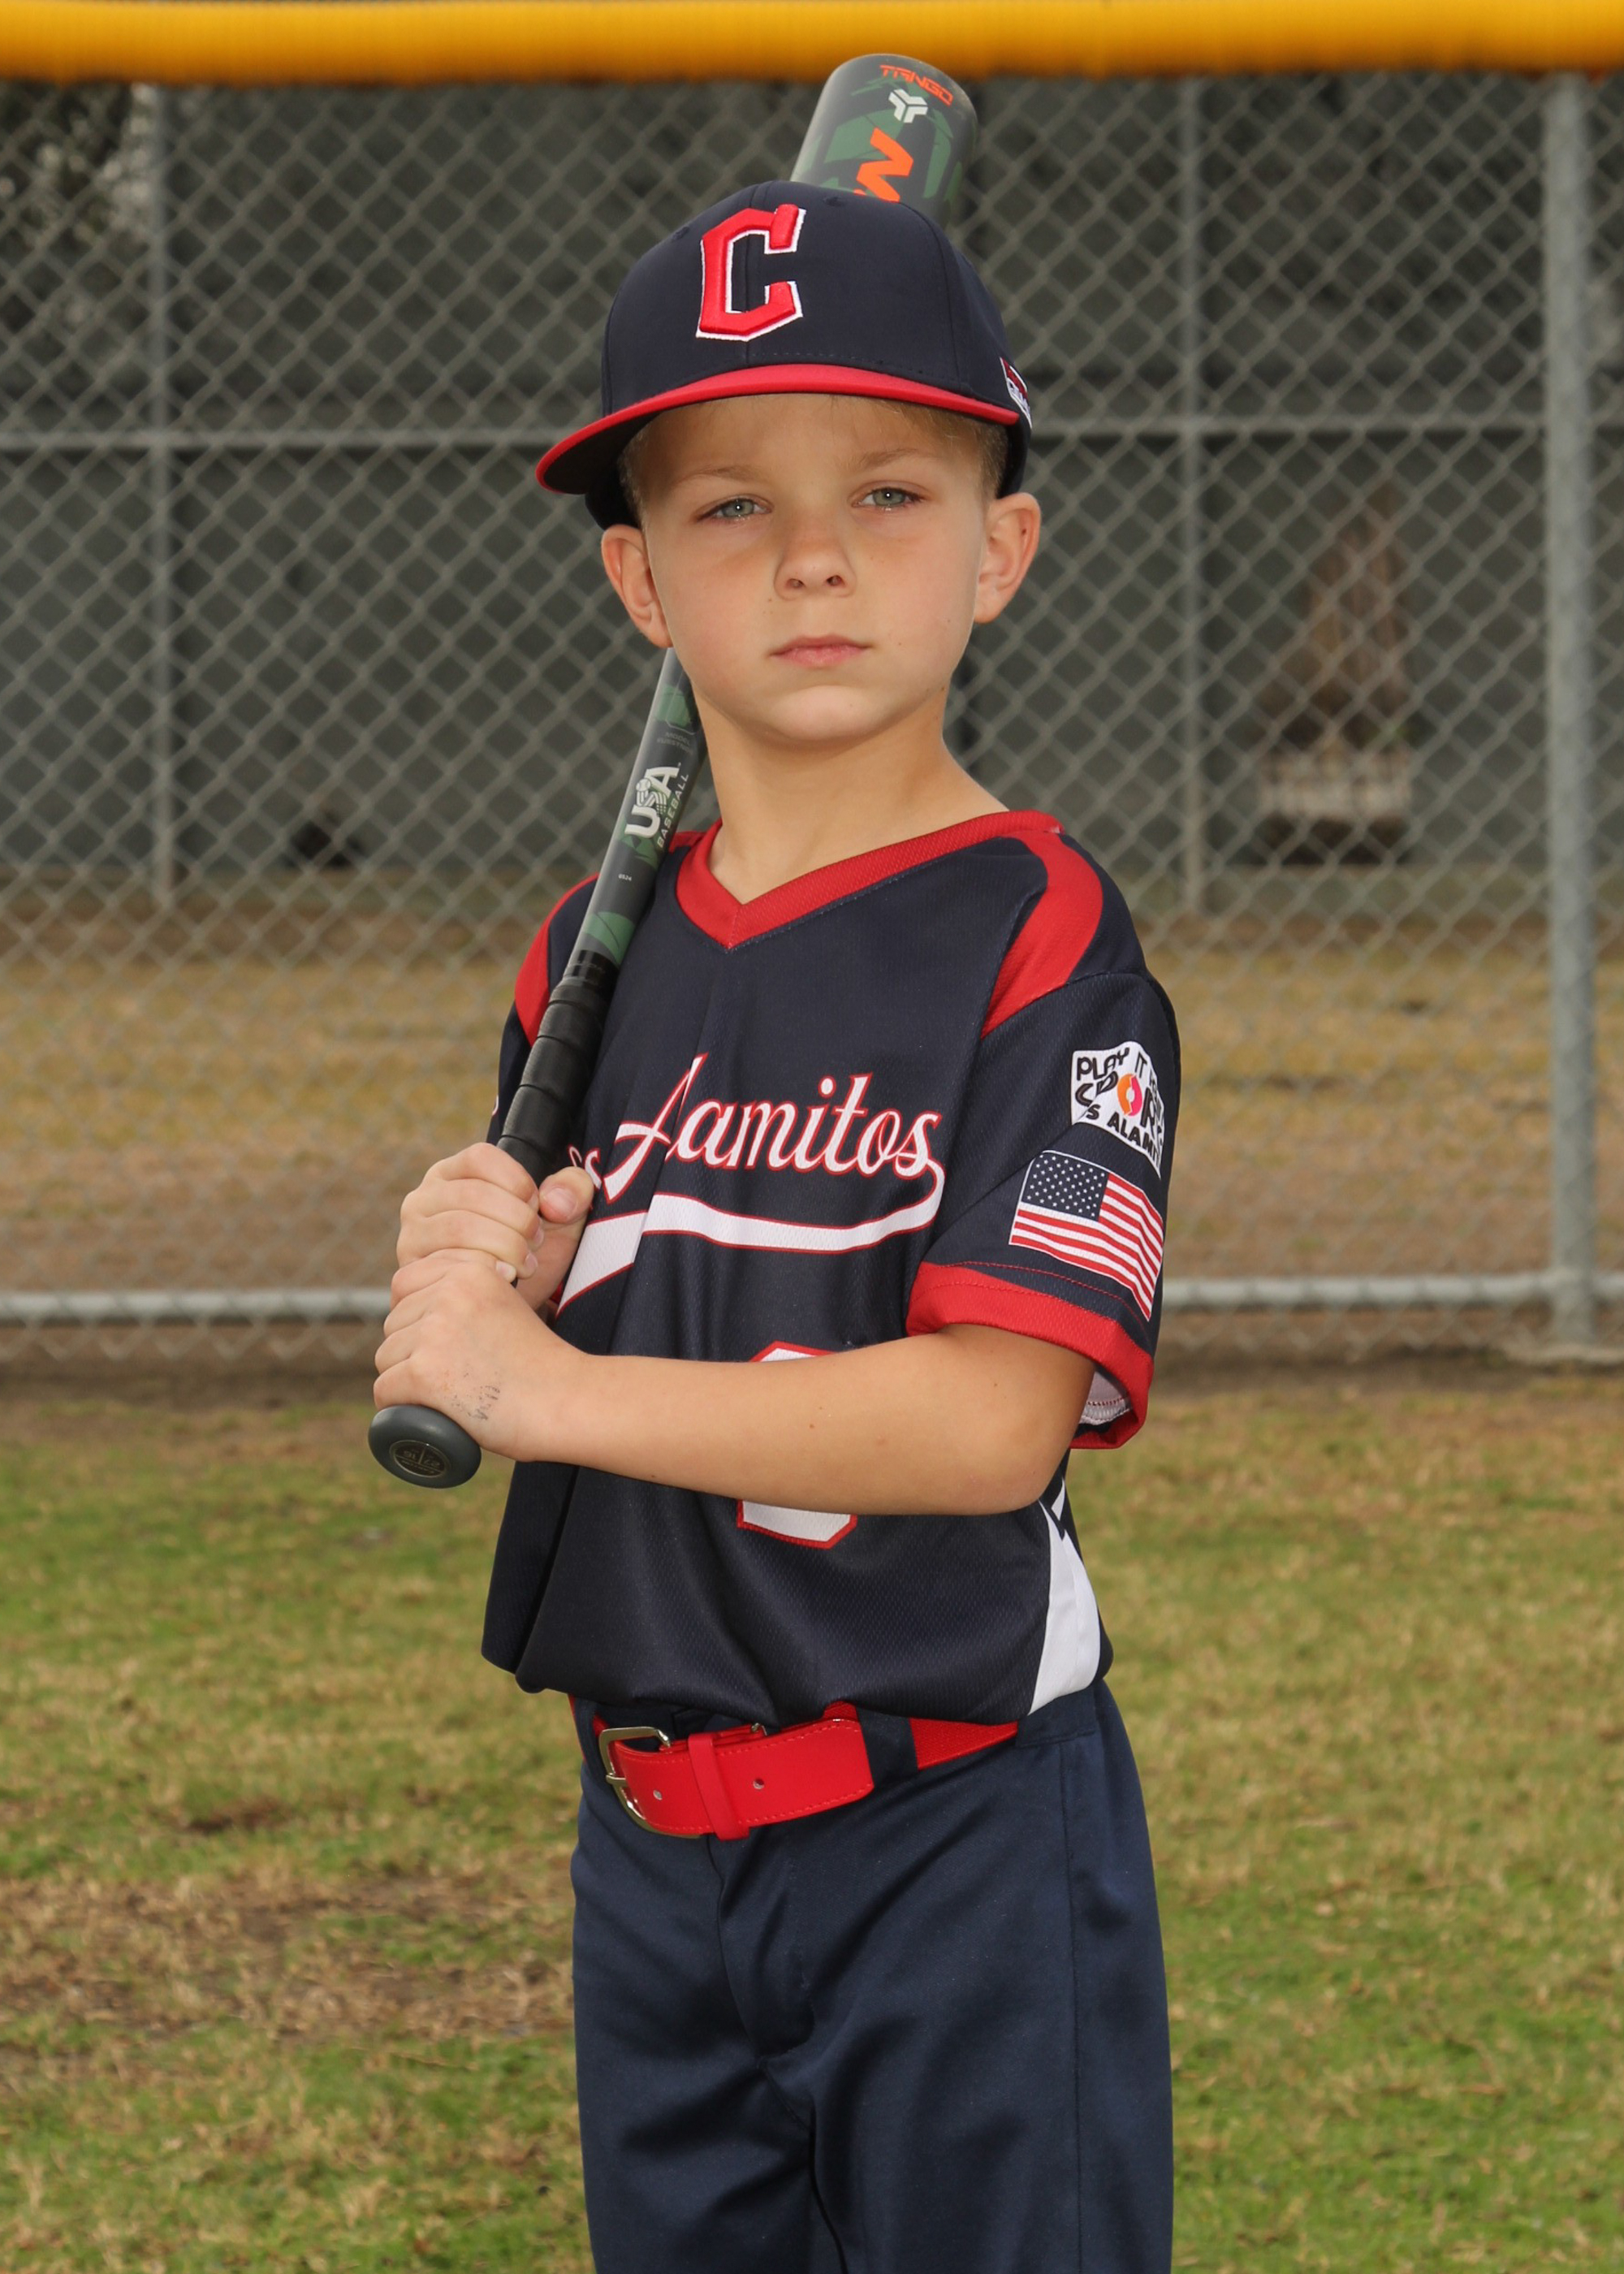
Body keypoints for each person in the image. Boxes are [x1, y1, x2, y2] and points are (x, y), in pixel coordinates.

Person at [374, 179, 1181, 2274]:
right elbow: (583, 1298)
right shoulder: (593, 950)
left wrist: (550, 1389)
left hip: (957, 1838)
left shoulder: (1042, 939)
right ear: (640, 580)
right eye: (731, 506)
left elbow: (992, 1421)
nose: (814, 556)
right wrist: (513, 1268)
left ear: (1000, 549)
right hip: (649, 1842)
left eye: (889, 492)